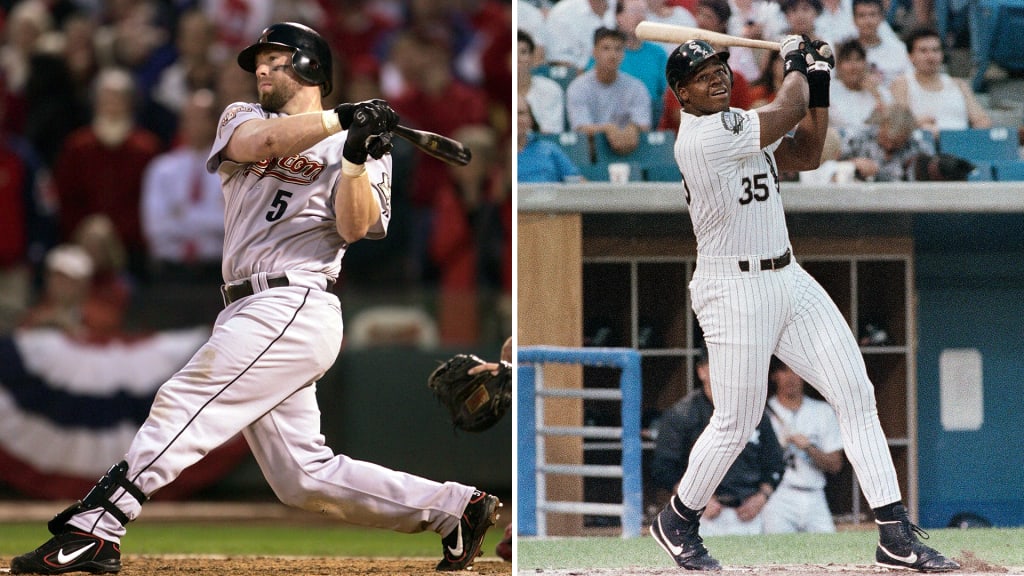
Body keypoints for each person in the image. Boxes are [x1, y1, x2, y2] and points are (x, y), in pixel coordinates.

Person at [9, 22, 500, 575]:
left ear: (312, 67)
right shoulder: (244, 117)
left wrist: (358, 155)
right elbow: (260, 146)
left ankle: (98, 528)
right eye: (259, 60)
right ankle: (455, 509)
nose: (261, 69)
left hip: (294, 300)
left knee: (184, 397)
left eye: (275, 59)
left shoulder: (360, 145)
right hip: (247, 304)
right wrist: (342, 120)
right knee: (302, 477)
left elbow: (356, 226)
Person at [648, 36, 959, 572]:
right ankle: (678, 519)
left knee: (856, 393)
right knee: (736, 420)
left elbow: (809, 151)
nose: (717, 78)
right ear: (682, 95)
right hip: (733, 289)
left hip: (786, 273)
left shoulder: (741, 123)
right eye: (702, 76)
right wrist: (799, 61)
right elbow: (788, 108)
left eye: (720, 68)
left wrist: (819, 79)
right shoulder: (701, 137)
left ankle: (893, 534)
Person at [651, 347, 786, 536]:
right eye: (717, 366)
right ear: (702, 371)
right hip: (701, 516)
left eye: (730, 367)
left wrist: (761, 498)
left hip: (749, 513)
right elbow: (663, 468)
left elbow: (775, 463)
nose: (725, 373)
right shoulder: (681, 414)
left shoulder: (752, 411)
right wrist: (694, 500)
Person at [762, 358, 845, 533]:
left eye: (796, 371)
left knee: (830, 550)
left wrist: (808, 448)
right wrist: (779, 448)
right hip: (778, 496)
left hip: (814, 493)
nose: (790, 378)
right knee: (777, 555)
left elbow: (836, 465)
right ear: (775, 375)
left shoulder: (822, 411)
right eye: (784, 371)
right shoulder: (764, 413)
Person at [889, 26, 991, 136]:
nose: (931, 56)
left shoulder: (959, 84)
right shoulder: (902, 84)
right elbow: (899, 123)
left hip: (959, 145)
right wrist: (920, 124)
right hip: (922, 146)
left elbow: (982, 120)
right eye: (923, 51)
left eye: (935, 50)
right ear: (910, 56)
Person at [566, 27, 651, 156]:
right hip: (591, 152)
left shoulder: (636, 87)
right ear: (594, 52)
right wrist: (607, 129)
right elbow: (580, 127)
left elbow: (643, 123)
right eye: (606, 48)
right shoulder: (578, 87)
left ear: (623, 54)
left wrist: (633, 128)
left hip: (630, 149)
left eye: (618, 49)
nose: (612, 55)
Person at [839, 104, 935, 181]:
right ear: (881, 125)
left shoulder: (918, 148)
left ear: (907, 136)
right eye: (886, 139)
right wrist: (853, 163)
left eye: (896, 143)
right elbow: (831, 164)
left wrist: (878, 173)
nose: (889, 146)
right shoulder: (859, 138)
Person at [829, 38, 890, 139]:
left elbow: (891, 123)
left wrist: (876, 94)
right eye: (847, 60)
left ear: (866, 64)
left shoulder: (879, 91)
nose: (854, 66)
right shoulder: (828, 90)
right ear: (839, 66)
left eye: (858, 60)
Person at [518, 96, 583, 183]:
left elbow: (577, 182)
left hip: (551, 196)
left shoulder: (549, 149)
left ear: (531, 119)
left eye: (520, 113)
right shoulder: (496, 154)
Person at [850, 0, 911, 89]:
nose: (868, 21)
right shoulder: (845, 50)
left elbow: (909, 79)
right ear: (854, 20)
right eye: (862, 16)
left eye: (872, 15)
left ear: (881, 17)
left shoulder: (899, 48)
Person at [520, 29, 566, 134]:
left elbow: (553, 133)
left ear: (532, 58)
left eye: (523, 52)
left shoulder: (551, 89)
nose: (517, 58)